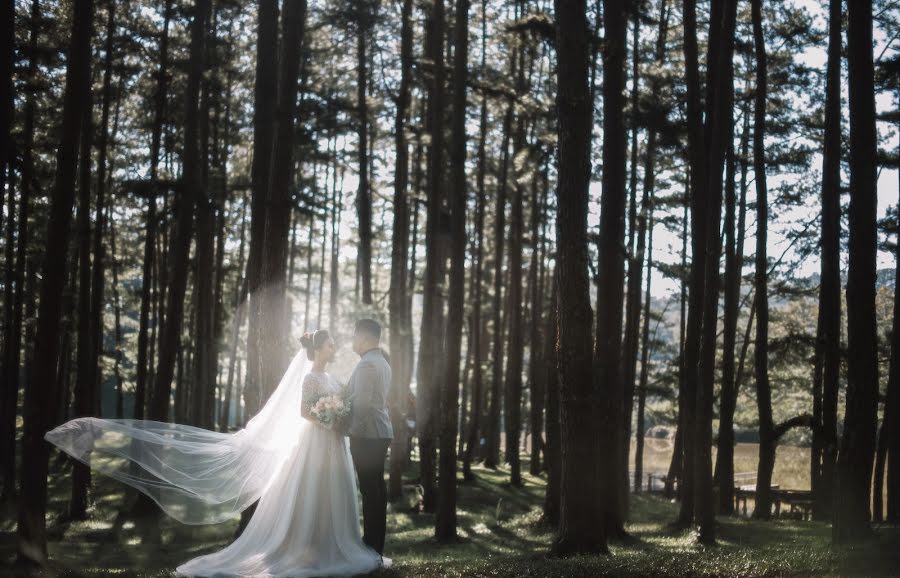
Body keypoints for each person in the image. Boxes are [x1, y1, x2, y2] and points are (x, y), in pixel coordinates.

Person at [45, 328, 390, 577]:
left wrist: (337, 414)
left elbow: (345, 402)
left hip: (333, 444)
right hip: (316, 442)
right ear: (319, 350)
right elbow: (304, 411)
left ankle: (333, 543)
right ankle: (307, 548)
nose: (336, 348)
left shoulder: (333, 378)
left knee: (335, 496)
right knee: (312, 495)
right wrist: (326, 418)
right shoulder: (311, 379)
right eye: (331, 344)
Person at [342, 318, 393, 559]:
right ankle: (376, 545)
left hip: (367, 435)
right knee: (377, 490)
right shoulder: (382, 361)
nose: (353, 340)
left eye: (354, 336)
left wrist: (350, 429)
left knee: (370, 491)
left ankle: (372, 545)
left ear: (363, 338)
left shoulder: (366, 365)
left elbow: (361, 406)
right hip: (381, 432)